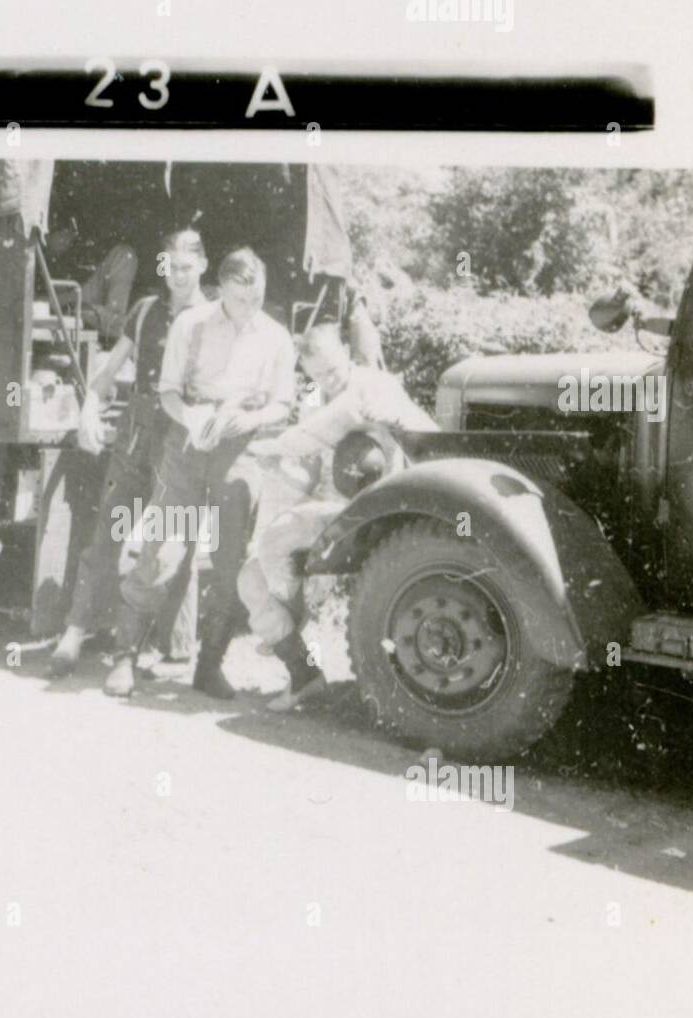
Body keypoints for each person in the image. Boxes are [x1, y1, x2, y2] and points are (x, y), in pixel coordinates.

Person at [104, 248, 297, 700]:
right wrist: (192, 419)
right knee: (162, 550)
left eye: (256, 298)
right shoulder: (190, 326)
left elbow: (283, 403)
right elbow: (168, 392)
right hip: (189, 442)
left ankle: (209, 665)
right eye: (239, 299)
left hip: (241, 447)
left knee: (231, 562)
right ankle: (124, 657)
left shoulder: (276, 337)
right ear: (221, 291)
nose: (248, 309)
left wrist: (251, 420)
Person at [238, 323, 438, 712]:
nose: (328, 380)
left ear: (346, 351)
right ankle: (306, 675)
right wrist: (276, 465)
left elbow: (424, 435)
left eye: (332, 369)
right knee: (250, 578)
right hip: (332, 513)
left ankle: (295, 612)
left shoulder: (375, 386)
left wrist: (277, 443)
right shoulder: (315, 402)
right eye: (317, 376)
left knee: (277, 537)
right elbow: (307, 476)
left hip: (379, 509)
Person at [48, 229, 211, 677]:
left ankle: (175, 649)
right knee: (110, 528)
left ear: (202, 265)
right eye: (170, 267)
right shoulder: (145, 312)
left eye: (185, 267)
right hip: (137, 432)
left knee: (175, 539)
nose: (177, 276)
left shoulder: (215, 318)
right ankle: (76, 631)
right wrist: (89, 409)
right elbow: (107, 372)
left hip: (185, 437)